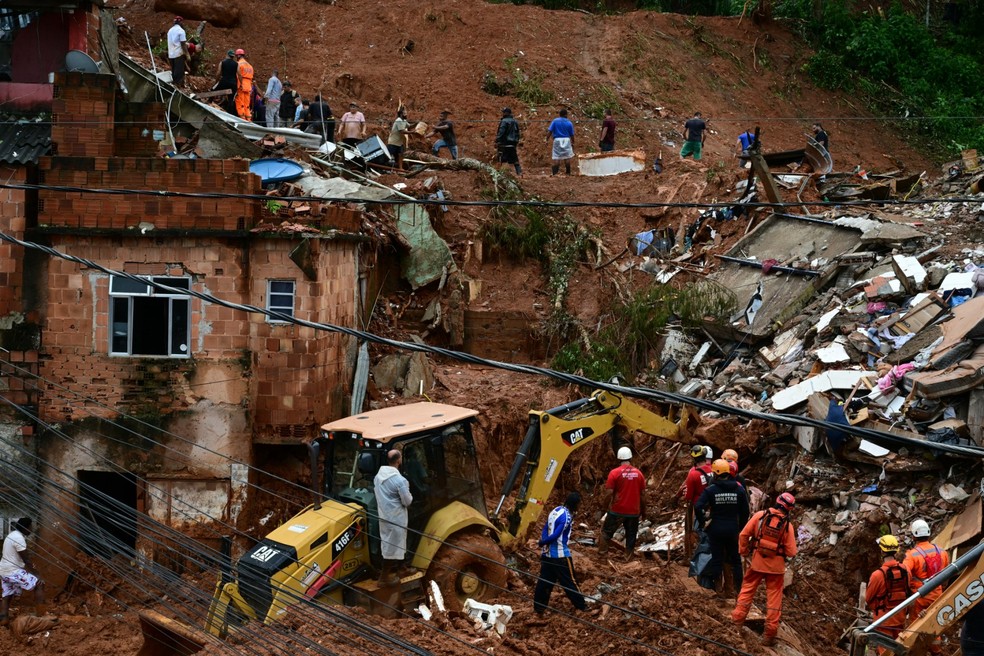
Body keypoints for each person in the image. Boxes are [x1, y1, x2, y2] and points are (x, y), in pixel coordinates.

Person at [732, 492, 798, 648]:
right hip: (776, 569)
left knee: (747, 591)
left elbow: (743, 535)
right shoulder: (787, 526)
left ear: (777, 501)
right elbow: (791, 552)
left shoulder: (760, 516)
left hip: (757, 564)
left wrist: (743, 551)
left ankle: (736, 623)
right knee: (774, 600)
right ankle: (769, 635)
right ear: (789, 509)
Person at [695, 459, 749, 593]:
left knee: (717, 559)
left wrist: (702, 521)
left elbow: (698, 506)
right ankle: (738, 589)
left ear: (716, 474)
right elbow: (745, 511)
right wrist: (741, 527)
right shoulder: (739, 489)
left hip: (716, 529)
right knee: (735, 560)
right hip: (732, 529)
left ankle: (718, 589)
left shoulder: (711, 490)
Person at [533, 492, 587, 615]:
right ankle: (582, 606)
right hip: (560, 555)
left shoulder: (556, 510)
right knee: (569, 582)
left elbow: (545, 528)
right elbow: (556, 535)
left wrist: (544, 543)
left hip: (547, 555)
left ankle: (539, 608)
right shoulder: (567, 517)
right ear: (575, 504)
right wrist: (542, 542)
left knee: (544, 581)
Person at [903, 519, 949, 653]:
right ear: (929, 534)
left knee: (915, 627)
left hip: (919, 597)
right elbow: (947, 575)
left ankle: (913, 651)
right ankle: (936, 651)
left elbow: (905, 576)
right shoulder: (942, 552)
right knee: (934, 626)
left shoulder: (912, 555)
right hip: (937, 596)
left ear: (913, 536)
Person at [598, 447, 646, 560]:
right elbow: (643, 495)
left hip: (617, 509)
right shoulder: (639, 474)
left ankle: (602, 555)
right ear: (630, 458)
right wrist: (644, 512)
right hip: (633, 511)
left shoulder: (614, 473)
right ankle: (628, 557)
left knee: (606, 533)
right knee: (631, 535)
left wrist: (604, 509)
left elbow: (609, 493)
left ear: (619, 458)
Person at [373, 449, 413, 585]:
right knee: (392, 546)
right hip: (397, 518)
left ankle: (402, 568)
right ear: (399, 460)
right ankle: (383, 578)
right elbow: (407, 501)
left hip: (384, 515)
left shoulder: (378, 476)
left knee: (392, 543)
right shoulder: (400, 481)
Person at [866, 535, 911, 648]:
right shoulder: (906, 570)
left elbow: (868, 598)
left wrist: (877, 608)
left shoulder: (877, 575)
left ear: (882, 552)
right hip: (900, 618)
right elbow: (908, 590)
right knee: (899, 649)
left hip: (883, 620)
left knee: (885, 651)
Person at [0, 518, 45, 622]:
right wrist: (36, 574)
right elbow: (26, 559)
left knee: (7, 593)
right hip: (12, 571)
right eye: (30, 527)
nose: (31, 530)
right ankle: (41, 615)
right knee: (39, 584)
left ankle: (3, 617)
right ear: (25, 528)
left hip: (3, 570)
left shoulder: (12, 535)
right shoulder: (19, 538)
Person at [547, 108, 575, 175]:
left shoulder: (555, 121)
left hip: (557, 139)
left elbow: (550, 131)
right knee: (567, 156)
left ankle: (555, 173)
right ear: (566, 115)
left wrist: (546, 139)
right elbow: (572, 134)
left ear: (559, 114)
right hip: (566, 140)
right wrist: (573, 142)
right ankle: (568, 172)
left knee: (557, 156)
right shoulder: (569, 122)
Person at [495, 107, 522, 176]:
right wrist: (516, 141)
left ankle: (499, 173)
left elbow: (501, 132)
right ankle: (519, 173)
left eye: (503, 112)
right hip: (513, 143)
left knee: (501, 158)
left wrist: (497, 140)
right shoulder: (515, 121)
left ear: (506, 113)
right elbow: (518, 133)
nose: (503, 114)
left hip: (505, 143)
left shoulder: (504, 121)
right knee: (515, 158)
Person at [166, 17, 190, 89]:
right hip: (178, 54)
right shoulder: (181, 31)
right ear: (181, 22)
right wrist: (187, 54)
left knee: (174, 72)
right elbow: (183, 44)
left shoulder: (170, 30)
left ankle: (173, 87)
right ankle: (178, 88)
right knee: (179, 73)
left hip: (171, 55)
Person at [214, 50, 239, 114]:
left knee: (213, 91)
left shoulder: (222, 62)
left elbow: (218, 73)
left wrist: (216, 81)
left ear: (227, 55)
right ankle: (230, 113)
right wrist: (240, 84)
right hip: (233, 83)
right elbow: (239, 74)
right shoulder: (236, 64)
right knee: (231, 99)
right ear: (233, 56)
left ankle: (208, 102)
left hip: (224, 81)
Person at [234, 49, 253, 121]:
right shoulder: (250, 66)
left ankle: (242, 119)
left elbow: (237, 75)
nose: (236, 57)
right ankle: (248, 120)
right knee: (247, 104)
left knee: (240, 103)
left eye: (236, 56)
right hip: (248, 86)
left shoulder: (238, 64)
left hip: (241, 85)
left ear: (239, 55)